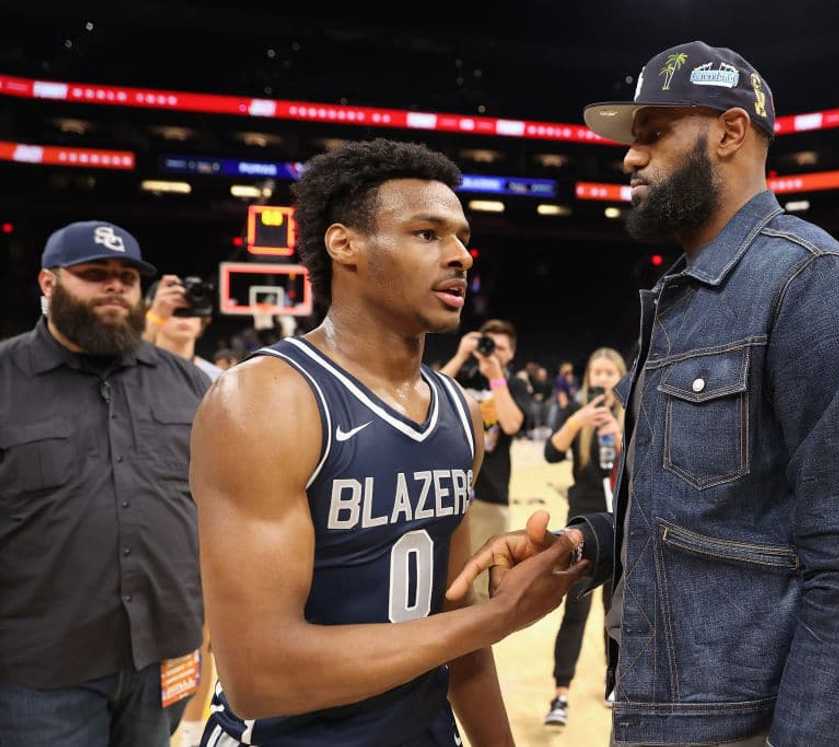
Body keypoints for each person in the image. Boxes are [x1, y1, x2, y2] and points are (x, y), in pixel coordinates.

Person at [451, 41, 839, 746]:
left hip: (741, 727)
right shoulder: (683, 295)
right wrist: (587, 542)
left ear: (731, 132)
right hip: (655, 707)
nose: (631, 158)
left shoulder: (818, 284)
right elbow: (710, 514)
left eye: (653, 133)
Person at [190, 140, 585, 746]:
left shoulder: (456, 409)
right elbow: (258, 674)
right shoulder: (267, 399)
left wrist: (482, 632)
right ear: (344, 244)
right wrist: (496, 617)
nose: (459, 256)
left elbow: (458, 632)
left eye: (460, 237)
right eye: (427, 234)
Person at [0, 221, 211, 746]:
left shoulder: (185, 381)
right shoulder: (5, 377)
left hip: (163, 652)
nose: (115, 286)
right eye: (95, 274)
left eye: (127, 277)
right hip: (40, 671)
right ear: (48, 284)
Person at [542, 348, 627, 729]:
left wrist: (622, 437)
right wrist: (578, 421)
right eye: (598, 371)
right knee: (575, 611)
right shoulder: (578, 416)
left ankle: (617, 684)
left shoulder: (632, 414)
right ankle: (560, 693)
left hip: (621, 525)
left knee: (617, 611)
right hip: (582, 527)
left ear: (622, 376)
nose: (604, 378)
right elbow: (550, 452)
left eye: (611, 372)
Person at [441, 320, 534, 598]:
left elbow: (511, 424)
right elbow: (427, 397)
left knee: (481, 588)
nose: (494, 353)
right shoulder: (464, 377)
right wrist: (460, 355)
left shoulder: (515, 384)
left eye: (501, 349)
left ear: (512, 354)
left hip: (490, 495)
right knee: (444, 581)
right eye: (488, 345)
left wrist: (496, 376)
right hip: (450, 491)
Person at [144, 278, 223, 381]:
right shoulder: (135, 372)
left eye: (193, 307)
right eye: (176, 309)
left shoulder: (217, 378)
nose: (184, 317)